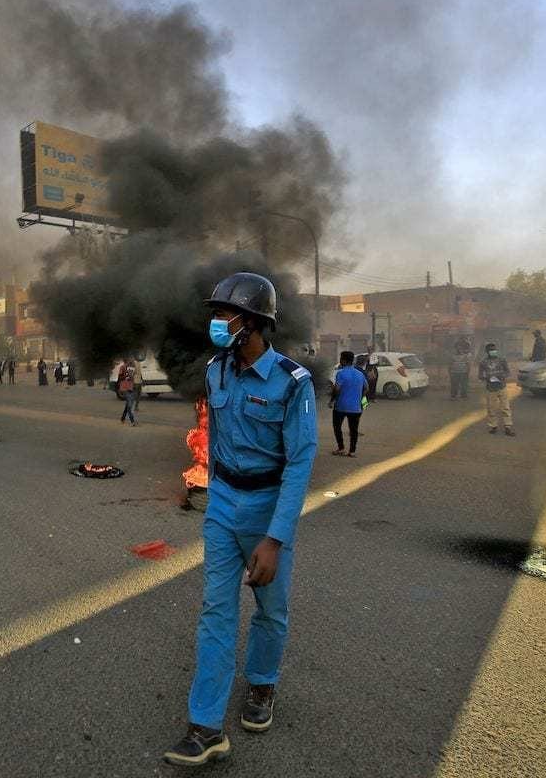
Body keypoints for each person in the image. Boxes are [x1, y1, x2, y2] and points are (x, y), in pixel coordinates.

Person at [163, 272, 317, 767]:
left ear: (250, 323)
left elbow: (299, 464)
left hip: (267, 508)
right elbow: (215, 437)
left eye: (223, 314)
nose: (215, 322)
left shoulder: (293, 382)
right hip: (223, 505)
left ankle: (262, 686)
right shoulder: (216, 371)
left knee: (270, 611)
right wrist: (208, 491)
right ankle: (205, 726)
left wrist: (275, 538)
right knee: (215, 612)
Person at [329, 350, 367, 456]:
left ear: (343, 361)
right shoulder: (360, 374)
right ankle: (352, 451)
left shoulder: (341, 373)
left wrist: (332, 401)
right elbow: (366, 388)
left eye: (341, 359)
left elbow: (337, 389)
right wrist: (360, 398)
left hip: (340, 406)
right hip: (356, 408)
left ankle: (341, 448)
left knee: (337, 427)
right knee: (354, 430)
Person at [478, 342, 514, 436]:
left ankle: (508, 427)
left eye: (494, 349)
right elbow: (480, 375)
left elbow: (508, 372)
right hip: (490, 388)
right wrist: (487, 378)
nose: (493, 351)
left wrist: (502, 377)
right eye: (491, 350)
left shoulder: (502, 360)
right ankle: (493, 426)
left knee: (505, 407)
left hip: (502, 386)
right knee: (491, 408)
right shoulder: (483, 362)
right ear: (487, 351)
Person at [117, 358, 139, 426]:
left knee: (128, 405)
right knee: (129, 405)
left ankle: (122, 419)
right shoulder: (127, 367)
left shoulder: (126, 367)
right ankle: (132, 421)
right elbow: (121, 377)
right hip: (127, 387)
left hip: (127, 387)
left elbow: (121, 376)